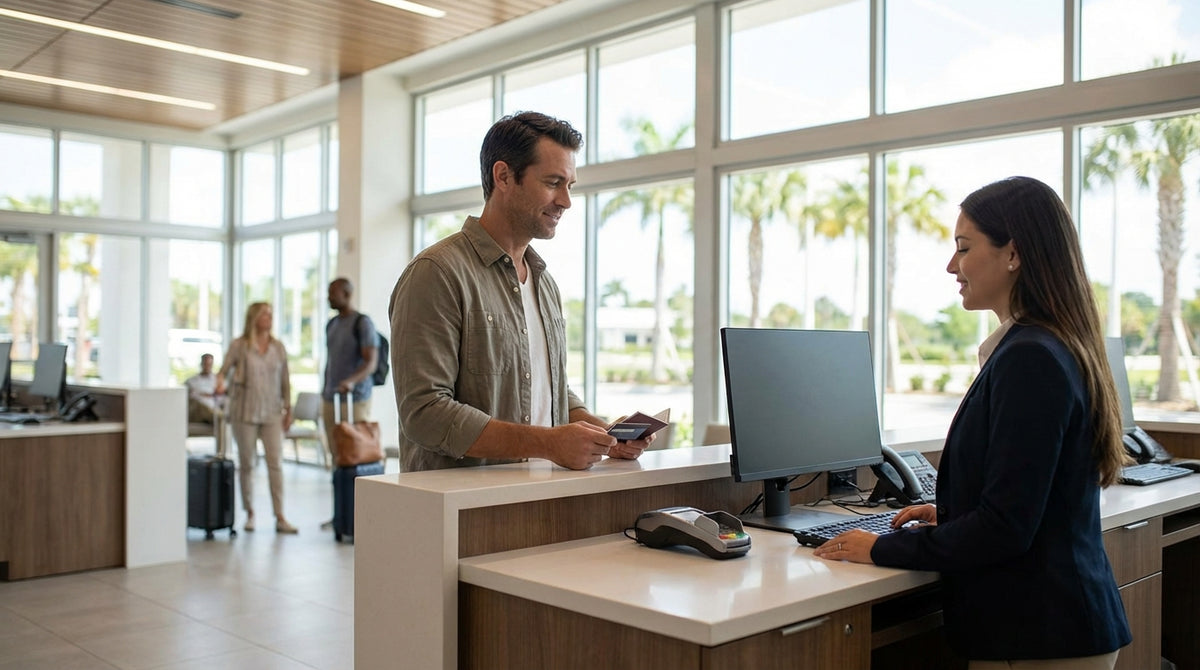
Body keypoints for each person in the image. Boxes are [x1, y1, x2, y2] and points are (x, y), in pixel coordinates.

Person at [813, 177, 1131, 668]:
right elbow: (1032, 500)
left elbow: (1007, 528)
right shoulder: (1047, 344)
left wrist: (879, 548)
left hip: (1038, 634)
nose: (951, 266)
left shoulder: (1031, 357)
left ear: (1013, 254)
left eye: (964, 248)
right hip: (1053, 626)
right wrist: (954, 512)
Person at [389, 111, 655, 472]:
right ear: (504, 177)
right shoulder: (437, 273)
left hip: (535, 502)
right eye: (552, 182)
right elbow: (424, 413)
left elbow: (549, 391)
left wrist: (605, 434)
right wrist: (547, 442)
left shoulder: (545, 283)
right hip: (460, 511)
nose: (566, 201)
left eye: (569, 185)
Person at [215, 302, 298, 534]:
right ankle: (250, 512)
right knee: (247, 463)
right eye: (264, 314)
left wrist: (288, 408)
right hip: (244, 411)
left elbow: (285, 380)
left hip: (272, 412)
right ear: (254, 318)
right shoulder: (240, 346)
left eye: (271, 314)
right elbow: (223, 371)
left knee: (276, 464)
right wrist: (220, 380)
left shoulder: (278, 347)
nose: (269, 318)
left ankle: (280, 515)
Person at [321, 277, 379, 529]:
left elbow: (371, 362)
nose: (329, 298)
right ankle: (341, 515)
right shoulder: (332, 324)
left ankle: (360, 517)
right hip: (330, 398)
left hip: (354, 399)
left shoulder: (362, 323)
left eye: (333, 293)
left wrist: (351, 382)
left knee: (356, 456)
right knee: (337, 457)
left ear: (346, 294)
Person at [184, 353, 224, 423]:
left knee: (220, 418)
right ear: (201, 364)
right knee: (202, 406)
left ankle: (220, 418)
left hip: (213, 408)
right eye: (205, 364)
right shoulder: (192, 381)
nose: (207, 367)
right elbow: (190, 396)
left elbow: (221, 396)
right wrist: (207, 395)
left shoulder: (217, 380)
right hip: (198, 409)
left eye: (209, 364)